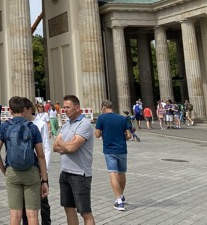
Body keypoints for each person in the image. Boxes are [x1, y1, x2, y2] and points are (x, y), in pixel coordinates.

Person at [0, 96, 49, 225]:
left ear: (10, 111)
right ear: (24, 109)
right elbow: (41, 155)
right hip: (31, 171)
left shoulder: (4, 127)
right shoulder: (33, 127)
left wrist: (5, 170)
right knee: (32, 215)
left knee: (15, 215)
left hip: (12, 171)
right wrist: (44, 180)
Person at [53, 95, 95, 225]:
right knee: (69, 209)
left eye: (68, 107)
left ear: (77, 108)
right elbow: (55, 147)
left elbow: (72, 147)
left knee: (85, 212)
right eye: (64, 107)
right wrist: (66, 146)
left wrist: (62, 143)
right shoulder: (66, 125)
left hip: (80, 174)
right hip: (65, 172)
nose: (65, 110)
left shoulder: (85, 125)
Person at [95, 100, 132, 211]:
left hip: (109, 149)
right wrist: (121, 138)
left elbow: (97, 134)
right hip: (122, 149)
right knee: (121, 173)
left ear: (104, 107)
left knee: (113, 173)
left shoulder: (101, 118)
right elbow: (129, 136)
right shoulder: (122, 118)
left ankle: (119, 201)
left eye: (102, 108)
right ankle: (120, 195)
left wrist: (103, 134)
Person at [23, 98, 52, 225]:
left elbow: (46, 148)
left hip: (39, 168)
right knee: (24, 203)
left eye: (22, 110)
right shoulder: (20, 124)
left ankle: (46, 223)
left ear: (29, 109)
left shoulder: (40, 124)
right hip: (25, 168)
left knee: (43, 201)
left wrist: (44, 170)